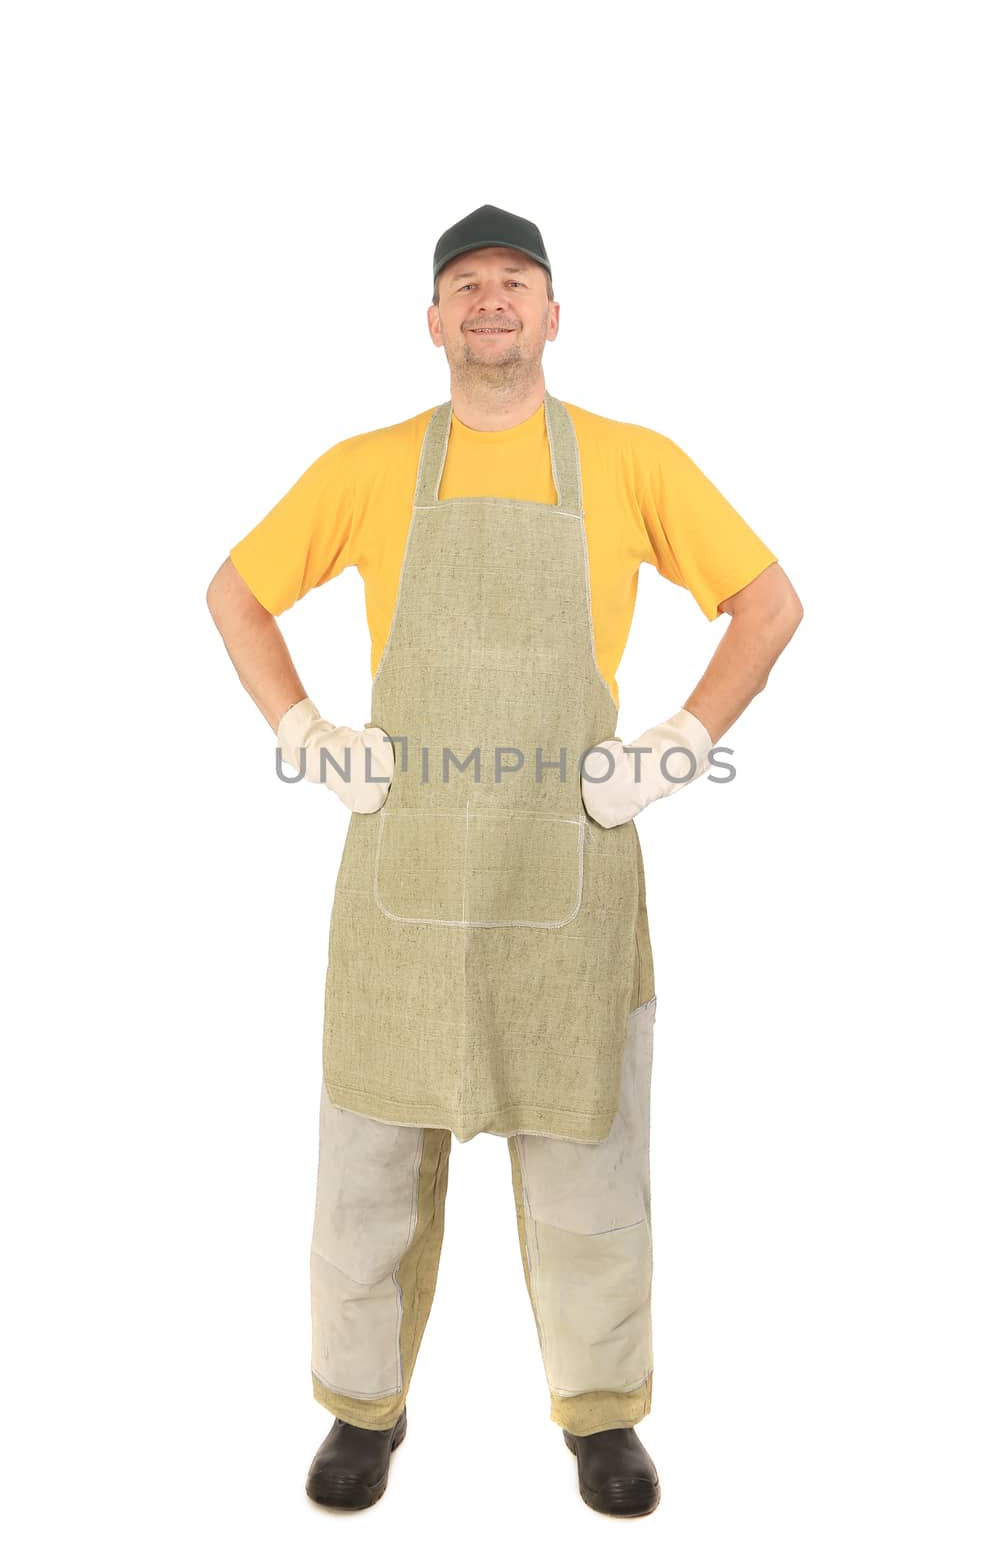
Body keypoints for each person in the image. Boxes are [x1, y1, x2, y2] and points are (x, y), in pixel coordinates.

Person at [206, 203, 803, 1518]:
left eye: (515, 281)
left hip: (566, 876)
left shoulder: (634, 462)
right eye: (466, 283)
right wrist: (304, 730)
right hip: (404, 881)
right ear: (433, 318)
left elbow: (770, 603)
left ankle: (602, 1419)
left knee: (589, 1169)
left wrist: (682, 743)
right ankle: (362, 1411)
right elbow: (235, 594)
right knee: (368, 1168)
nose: (491, 301)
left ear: (551, 313)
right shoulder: (365, 469)